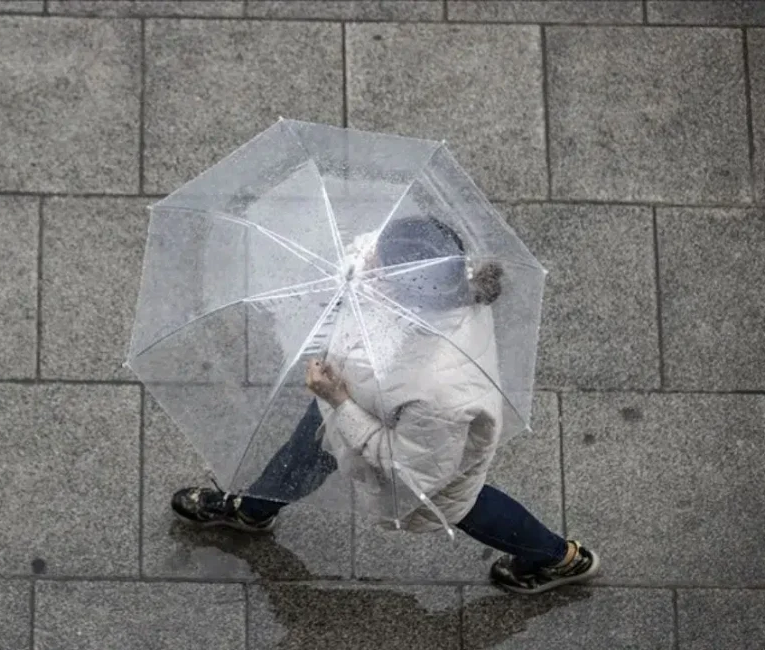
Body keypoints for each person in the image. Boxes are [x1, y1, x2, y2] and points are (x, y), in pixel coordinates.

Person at [171, 215, 600, 595]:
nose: (369, 256)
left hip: (411, 443)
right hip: (357, 402)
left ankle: (556, 558)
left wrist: (339, 400)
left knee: (463, 504)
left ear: (406, 285)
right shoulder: (437, 273)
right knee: (304, 453)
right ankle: (254, 509)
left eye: (379, 260)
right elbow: (368, 287)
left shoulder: (438, 390)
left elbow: (404, 466)